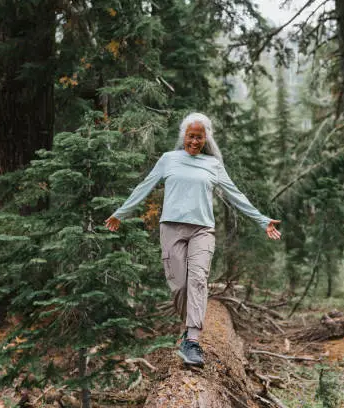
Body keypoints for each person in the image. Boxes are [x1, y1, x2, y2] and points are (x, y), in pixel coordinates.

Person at [105, 112, 281, 367]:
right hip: (172, 229)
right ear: (183, 136)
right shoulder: (168, 160)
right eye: (191, 136)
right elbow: (144, 185)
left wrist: (262, 220)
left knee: (198, 280)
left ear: (206, 138)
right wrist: (121, 213)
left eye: (199, 137)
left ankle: (192, 341)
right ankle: (188, 328)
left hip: (202, 231)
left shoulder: (213, 165)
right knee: (179, 286)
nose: (195, 141)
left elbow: (236, 195)